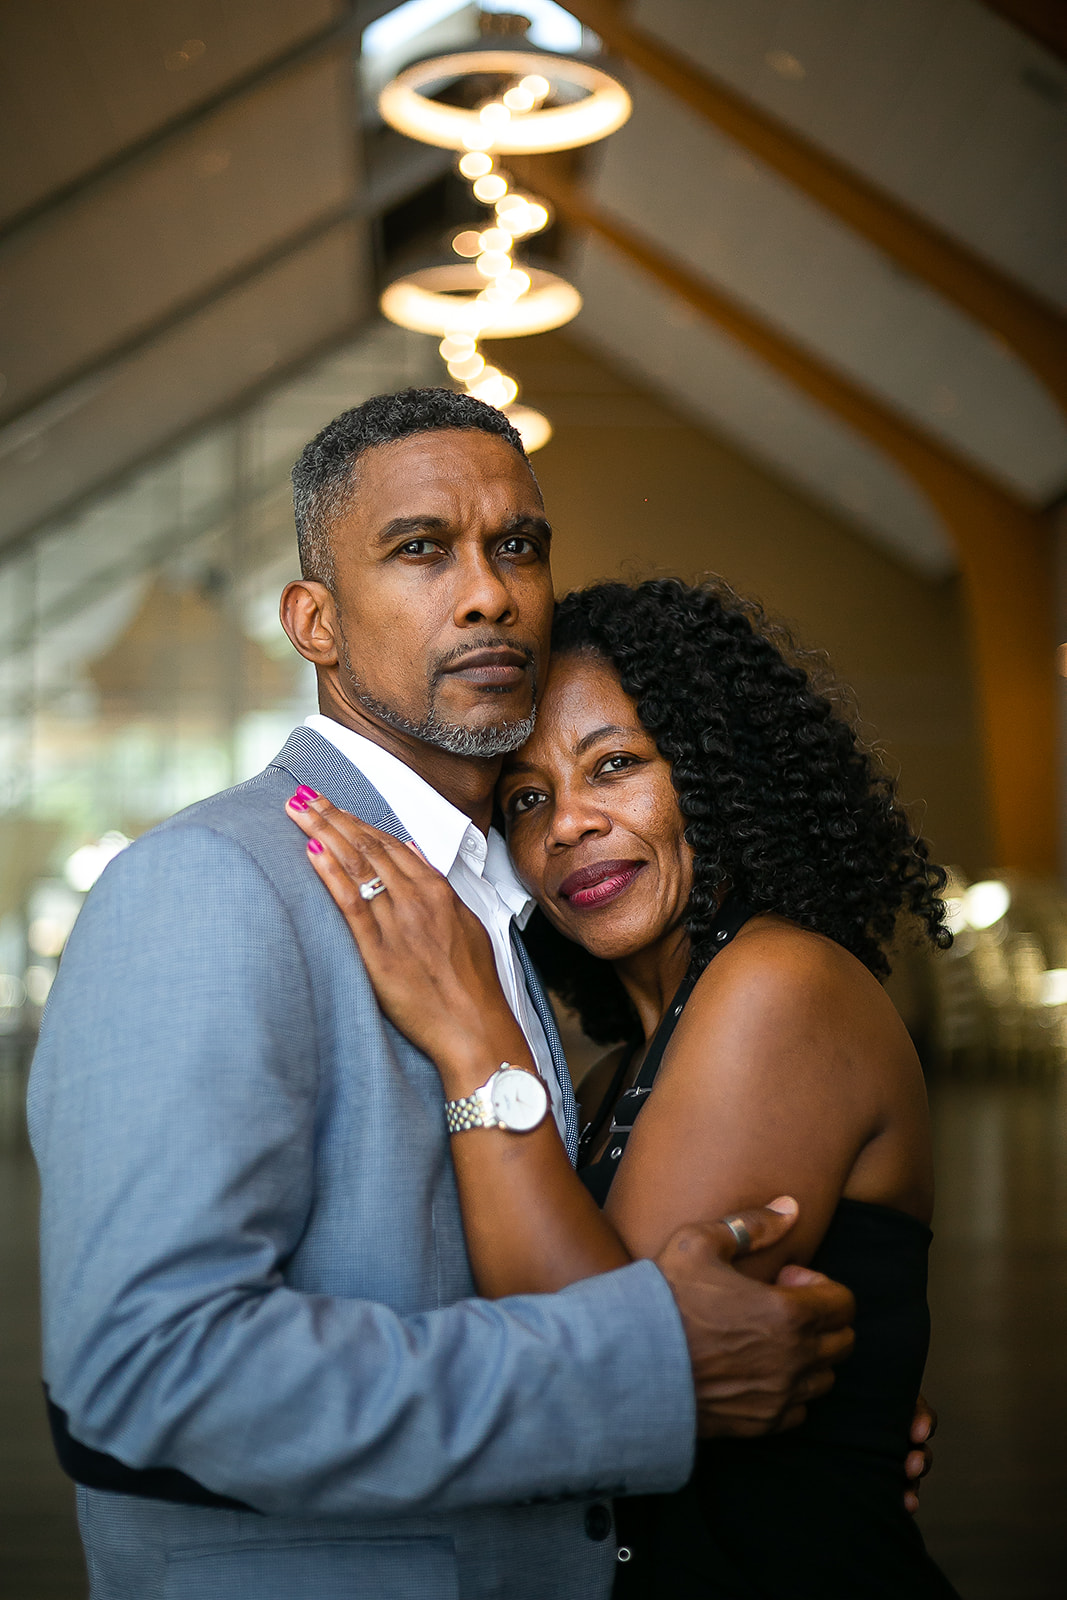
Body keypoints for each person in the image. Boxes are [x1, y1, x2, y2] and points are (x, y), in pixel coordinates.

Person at [28, 393, 859, 1600]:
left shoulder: (490, 897)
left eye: (517, 545)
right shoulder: (210, 884)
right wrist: (651, 1374)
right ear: (313, 620)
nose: (489, 593)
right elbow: (148, 1369)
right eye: (421, 549)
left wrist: (821, 1442)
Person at [285, 574, 959, 1597]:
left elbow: (599, 1374)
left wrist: (474, 1041)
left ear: (715, 775)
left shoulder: (780, 984)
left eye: (613, 766)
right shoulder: (605, 1079)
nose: (565, 825)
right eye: (525, 797)